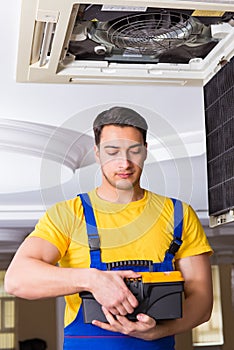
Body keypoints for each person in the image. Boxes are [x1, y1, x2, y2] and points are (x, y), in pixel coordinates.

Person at [4, 106, 213, 350]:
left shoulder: (179, 214)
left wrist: (156, 332)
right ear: (97, 154)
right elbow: (17, 280)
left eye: (134, 151)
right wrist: (92, 279)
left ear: (145, 152)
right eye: (112, 152)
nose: (124, 163)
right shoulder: (70, 214)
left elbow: (202, 300)